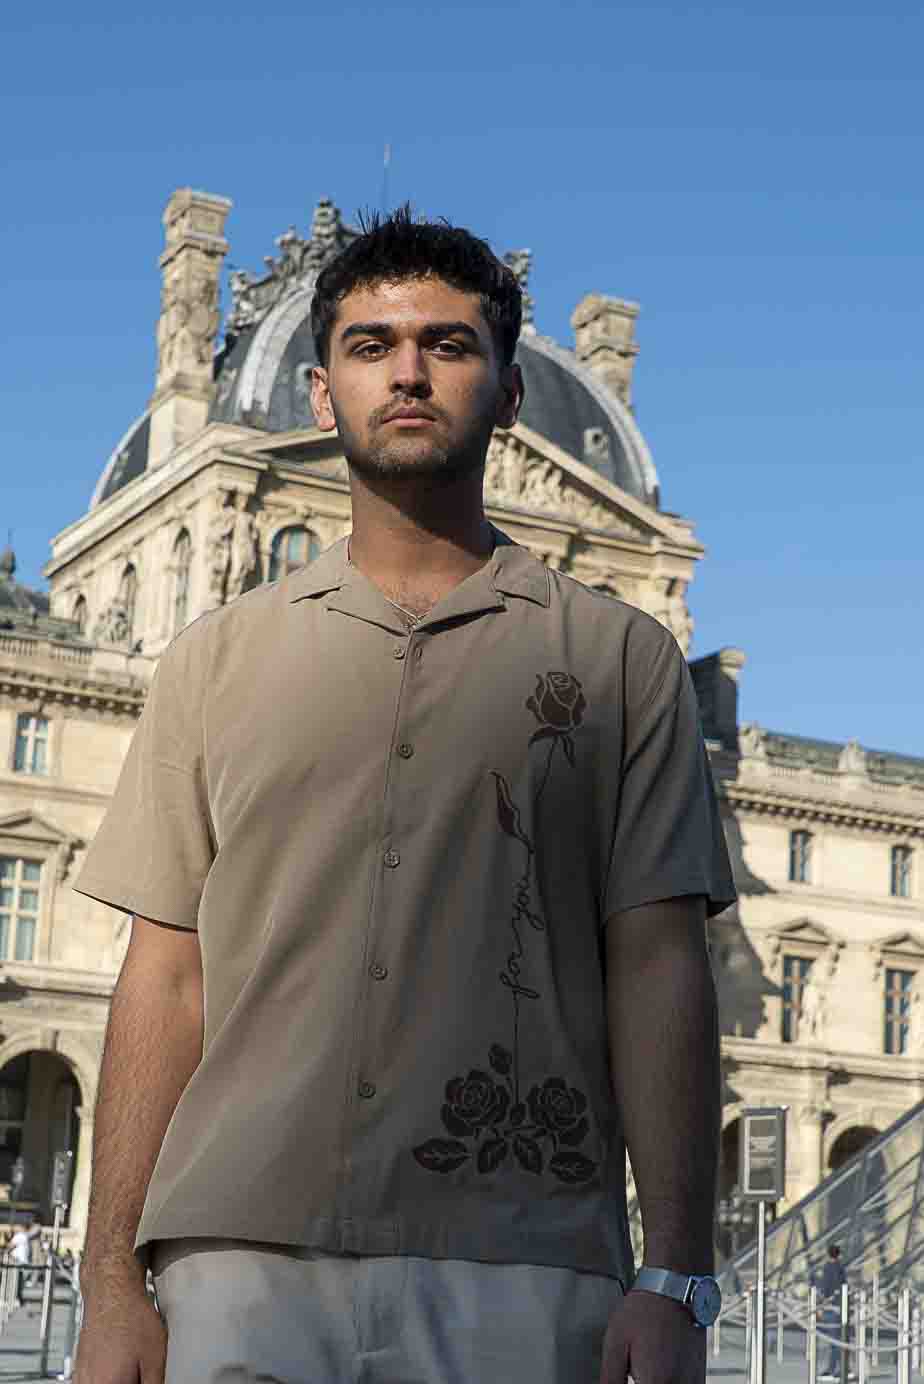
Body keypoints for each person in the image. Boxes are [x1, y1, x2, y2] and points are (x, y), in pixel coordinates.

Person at [71, 205, 736, 1384]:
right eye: (373, 346)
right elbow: (162, 981)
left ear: (513, 393)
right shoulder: (213, 661)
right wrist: (110, 1285)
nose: (411, 371)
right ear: (323, 394)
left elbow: (659, 966)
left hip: (521, 1258)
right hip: (240, 1256)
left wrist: (676, 1275)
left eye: (450, 342)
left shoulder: (624, 661)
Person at [818, 1243, 848, 1379]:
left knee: (835, 1341)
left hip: (832, 1308)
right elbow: (841, 1287)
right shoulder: (840, 1268)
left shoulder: (829, 1268)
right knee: (839, 1340)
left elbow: (827, 1288)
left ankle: (834, 1369)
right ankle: (841, 1368)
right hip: (839, 1307)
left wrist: (822, 1304)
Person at [9, 1219, 42, 1307]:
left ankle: (15, 1299)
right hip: (22, 1261)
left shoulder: (20, 1235)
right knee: (19, 1283)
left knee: (15, 1282)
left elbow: (10, 1246)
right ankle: (18, 1299)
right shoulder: (24, 1236)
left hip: (17, 1262)